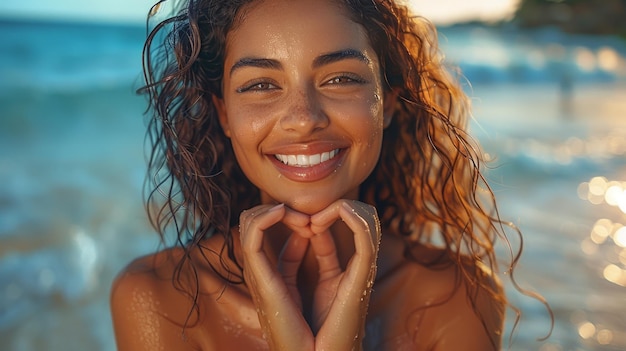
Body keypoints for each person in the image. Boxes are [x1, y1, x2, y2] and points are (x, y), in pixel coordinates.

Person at [110, 0, 545, 349]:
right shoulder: (157, 298)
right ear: (224, 114)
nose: (303, 119)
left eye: (340, 79)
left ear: (388, 102)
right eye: (261, 85)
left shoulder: (455, 295)